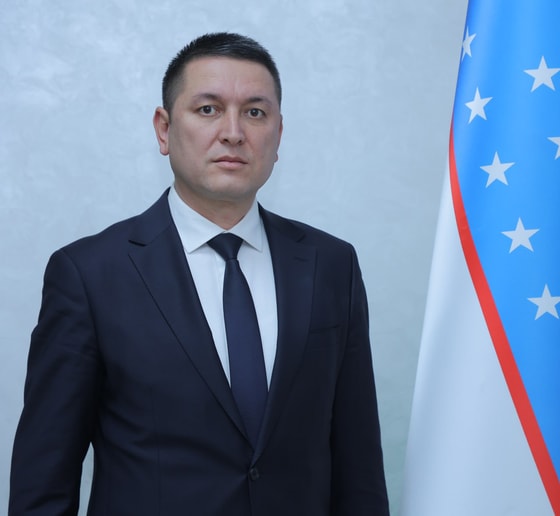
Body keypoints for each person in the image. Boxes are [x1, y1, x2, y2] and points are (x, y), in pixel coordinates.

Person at [9, 32, 389, 515]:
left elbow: (359, 469)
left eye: (255, 112)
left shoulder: (331, 265)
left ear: (278, 135)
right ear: (164, 129)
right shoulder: (89, 275)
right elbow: (43, 482)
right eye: (208, 109)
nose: (233, 132)